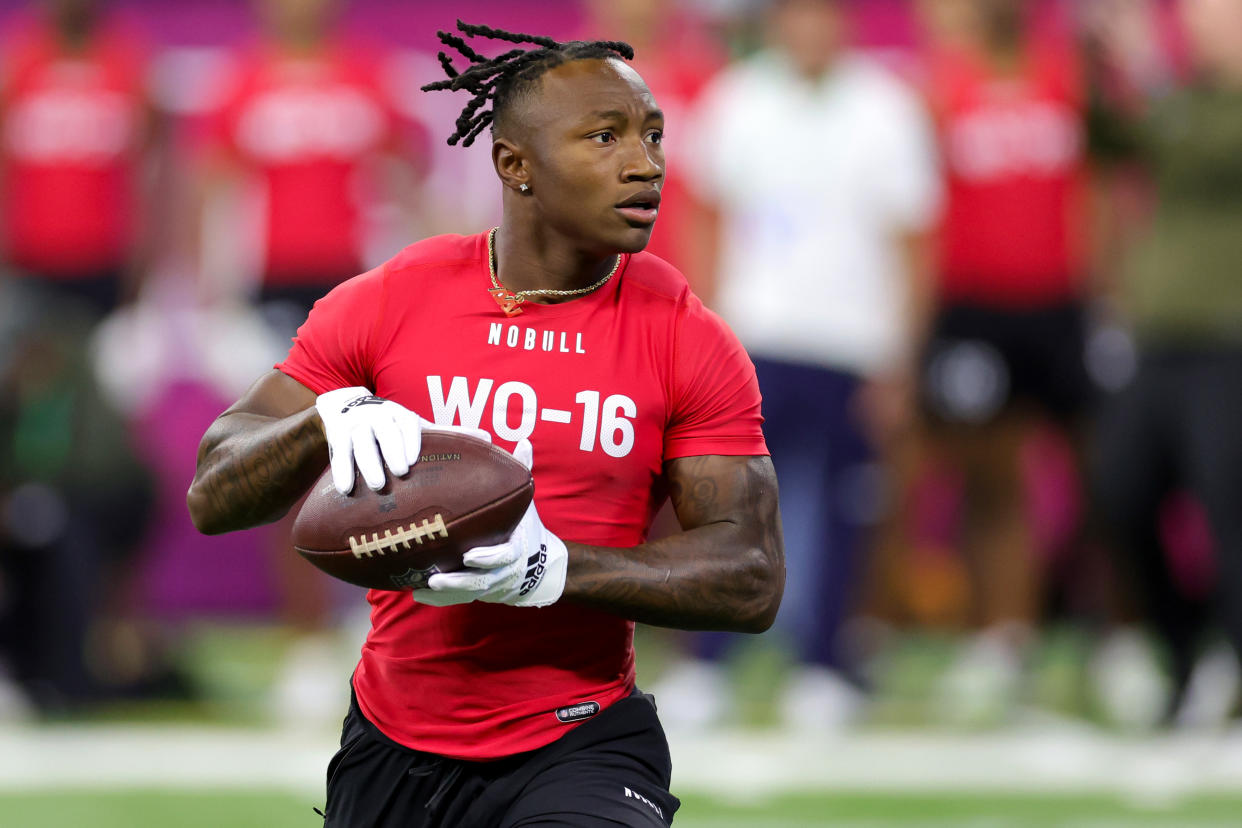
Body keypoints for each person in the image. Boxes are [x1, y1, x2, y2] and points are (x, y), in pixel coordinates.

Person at [187, 21, 784, 827]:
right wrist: (324, 420)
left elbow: (751, 573)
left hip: (583, 740)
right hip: (391, 737)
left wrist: (554, 570)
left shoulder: (685, 332)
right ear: (516, 166)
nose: (645, 164)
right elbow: (213, 494)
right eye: (604, 137)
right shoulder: (395, 298)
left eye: (652, 136)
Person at [681, 0, 940, 728]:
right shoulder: (737, 100)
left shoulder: (886, 107)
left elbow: (914, 240)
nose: (811, 30)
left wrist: (900, 356)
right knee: (728, 506)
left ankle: (824, 664)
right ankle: (710, 663)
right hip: (753, 338)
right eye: (797, 15)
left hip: (852, 343)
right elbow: (707, 215)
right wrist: (707, 331)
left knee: (842, 509)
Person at [196, 0, 435, 722]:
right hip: (271, 289)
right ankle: (304, 642)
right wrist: (208, 297)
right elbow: (213, 189)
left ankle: (390, 637)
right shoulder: (241, 80)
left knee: (384, 465)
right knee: (291, 465)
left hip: (359, 287)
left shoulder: (368, 74)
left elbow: (407, 182)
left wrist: (433, 273)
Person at [907, 0, 1096, 721]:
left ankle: (1123, 639)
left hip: (1063, 304)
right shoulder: (942, 87)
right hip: (975, 306)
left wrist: (1104, 288)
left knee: (1103, 477)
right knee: (990, 480)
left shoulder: (1068, 78)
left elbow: (1101, 190)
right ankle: (1002, 640)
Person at [1087, 0, 1242, 727]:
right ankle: (1182, 653)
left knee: (1227, 505)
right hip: (1158, 343)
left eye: (1220, 15)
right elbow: (1109, 137)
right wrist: (1100, 58)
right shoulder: (1187, 101)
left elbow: (1207, 151)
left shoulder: (1208, 111)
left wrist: (1149, 72)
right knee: (1119, 488)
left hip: (1228, 341)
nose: (1203, 28)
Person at [0, 0, 163, 318]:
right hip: (31, 255)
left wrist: (147, 248)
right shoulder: (18, 68)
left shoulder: (129, 66)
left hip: (107, 255)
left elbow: (151, 174)